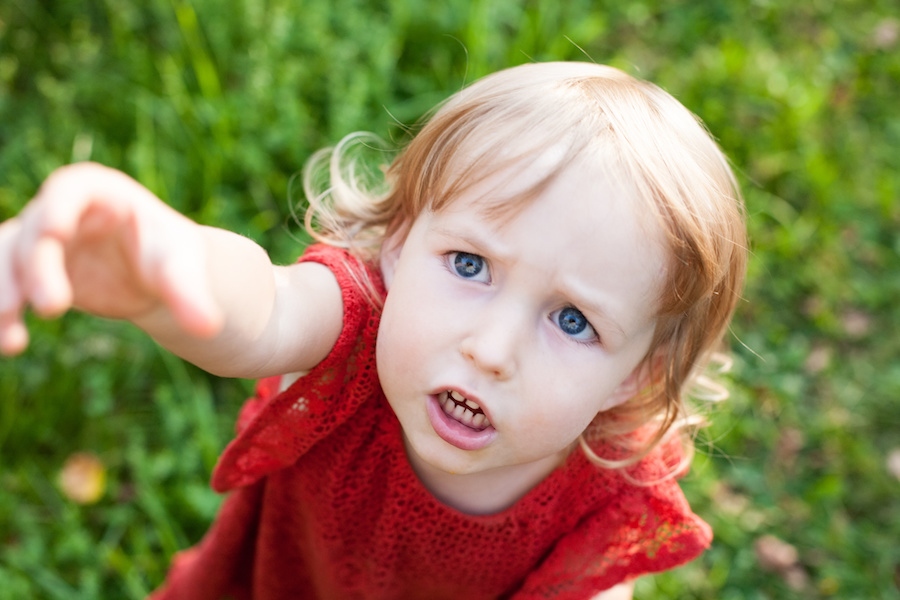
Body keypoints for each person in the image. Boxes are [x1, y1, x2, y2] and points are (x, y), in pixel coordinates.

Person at [0, 62, 747, 599]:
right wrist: (171, 264)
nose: (490, 349)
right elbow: (263, 307)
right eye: (468, 263)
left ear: (636, 375)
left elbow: (592, 581)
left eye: (573, 319)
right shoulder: (358, 327)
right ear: (398, 243)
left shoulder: (603, 486)